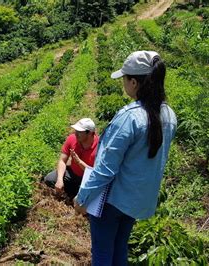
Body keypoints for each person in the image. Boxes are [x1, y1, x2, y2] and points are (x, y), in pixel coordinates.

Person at [74, 51, 177, 265]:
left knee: (102, 252)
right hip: (135, 199)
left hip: (112, 200)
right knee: (120, 247)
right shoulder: (168, 115)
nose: (123, 83)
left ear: (134, 82)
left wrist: (82, 197)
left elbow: (106, 169)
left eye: (124, 78)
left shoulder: (130, 117)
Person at [43, 118, 99, 200]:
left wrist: (79, 162)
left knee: (87, 199)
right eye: (76, 131)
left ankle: (75, 194)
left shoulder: (100, 147)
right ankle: (71, 192)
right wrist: (59, 180)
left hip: (87, 179)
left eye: (79, 132)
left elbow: (95, 174)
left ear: (90, 133)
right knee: (50, 179)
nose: (76, 134)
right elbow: (62, 160)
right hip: (72, 173)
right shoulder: (72, 139)